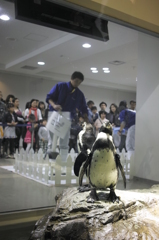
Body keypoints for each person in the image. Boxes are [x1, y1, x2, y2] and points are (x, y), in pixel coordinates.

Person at [46, 71, 88, 160]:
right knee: (51, 142)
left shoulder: (79, 94)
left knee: (64, 143)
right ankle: (51, 162)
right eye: (76, 81)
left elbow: (84, 108)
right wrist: (54, 105)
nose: (77, 83)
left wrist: (86, 119)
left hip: (66, 118)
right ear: (71, 79)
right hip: (54, 115)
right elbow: (49, 98)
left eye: (80, 82)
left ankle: (63, 163)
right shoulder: (60, 86)